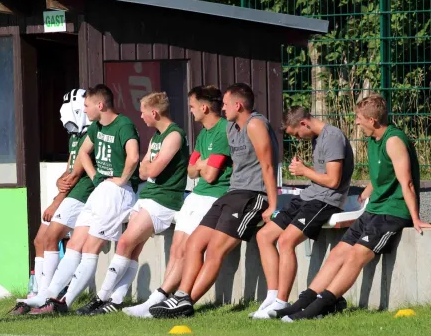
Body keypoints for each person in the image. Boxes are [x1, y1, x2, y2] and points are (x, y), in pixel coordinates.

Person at [276, 94, 431, 322]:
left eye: (359, 118)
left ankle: (320, 306)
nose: (356, 122)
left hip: (392, 212)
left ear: (373, 121)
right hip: (375, 209)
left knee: (356, 255)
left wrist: (415, 218)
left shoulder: (393, 140)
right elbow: (385, 171)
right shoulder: (373, 140)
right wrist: (369, 189)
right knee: (338, 252)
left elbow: (406, 181)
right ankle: (303, 301)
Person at [150, 83, 279, 318]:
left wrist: (273, 204)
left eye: (227, 104)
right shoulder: (230, 127)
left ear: (238, 105)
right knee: (193, 244)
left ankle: (186, 302)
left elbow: (268, 166)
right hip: (232, 193)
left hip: (252, 195)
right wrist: (201, 165)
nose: (223, 107)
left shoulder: (256, 124)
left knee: (214, 251)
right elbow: (196, 168)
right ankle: (180, 296)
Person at [28, 84, 140, 315]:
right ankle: (48, 297)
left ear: (100, 105)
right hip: (102, 190)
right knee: (74, 245)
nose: (85, 110)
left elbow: (134, 156)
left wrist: (121, 180)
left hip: (118, 192)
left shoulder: (124, 124)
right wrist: (96, 176)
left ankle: (67, 302)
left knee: (90, 247)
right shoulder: (96, 127)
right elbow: (82, 153)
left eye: (87, 105)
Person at [123, 86, 232, 318]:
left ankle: (163, 300)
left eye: (192, 106)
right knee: (176, 247)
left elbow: (211, 176)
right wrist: (202, 166)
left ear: (204, 107)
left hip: (214, 196)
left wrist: (201, 166)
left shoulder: (223, 131)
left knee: (186, 248)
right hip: (197, 194)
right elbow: (192, 172)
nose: (190, 111)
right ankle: (160, 299)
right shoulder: (203, 134)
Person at [77, 92, 189, 315]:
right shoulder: (158, 136)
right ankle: (116, 300)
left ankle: (101, 297)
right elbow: (143, 168)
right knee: (134, 249)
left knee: (124, 243)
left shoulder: (174, 135)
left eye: (144, 112)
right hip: (149, 195)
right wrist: (148, 167)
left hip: (164, 200)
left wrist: (149, 167)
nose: (141, 116)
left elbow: (151, 169)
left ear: (154, 113)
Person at [252, 106, 354, 319]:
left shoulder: (332, 137)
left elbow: (334, 181)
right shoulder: (317, 138)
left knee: (286, 241)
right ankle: (271, 297)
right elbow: (323, 175)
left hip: (325, 201)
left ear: (305, 124)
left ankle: (281, 302)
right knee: (264, 235)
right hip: (309, 196)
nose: (298, 139)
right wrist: (306, 168)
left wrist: (304, 171)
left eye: (297, 134)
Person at [8, 89, 94, 315]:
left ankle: (46, 296)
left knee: (51, 237)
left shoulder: (91, 134)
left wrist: (56, 201)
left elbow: (76, 175)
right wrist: (59, 181)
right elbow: (69, 170)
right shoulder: (75, 137)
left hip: (82, 193)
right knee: (39, 240)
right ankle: (37, 293)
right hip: (68, 193)